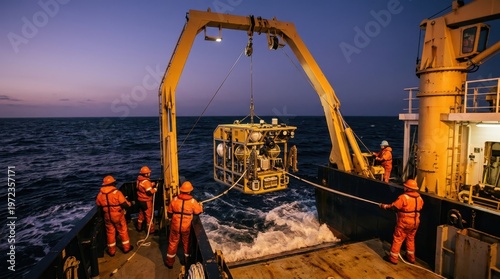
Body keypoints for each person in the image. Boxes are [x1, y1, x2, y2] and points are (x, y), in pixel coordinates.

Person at [379, 179, 424, 265]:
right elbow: (420, 207)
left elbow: (394, 207)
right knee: (410, 239)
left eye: (405, 187)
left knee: (398, 238)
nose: (404, 188)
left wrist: (383, 206)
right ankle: (411, 257)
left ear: (408, 188)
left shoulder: (403, 197)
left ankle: (393, 258)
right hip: (415, 222)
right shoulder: (419, 198)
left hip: (404, 221)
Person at [165, 181, 203, 269]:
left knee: (173, 243)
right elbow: (198, 211)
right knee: (186, 244)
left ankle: (169, 263)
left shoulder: (174, 200)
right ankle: (187, 262)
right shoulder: (193, 202)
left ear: (181, 190)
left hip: (175, 225)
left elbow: (169, 212)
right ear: (190, 191)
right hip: (186, 227)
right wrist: (200, 206)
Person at [96, 175, 133, 256]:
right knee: (123, 231)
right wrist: (130, 204)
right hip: (117, 215)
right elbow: (124, 204)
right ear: (113, 183)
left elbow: (98, 205)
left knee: (110, 233)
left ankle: (111, 251)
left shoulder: (100, 194)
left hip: (107, 216)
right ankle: (126, 248)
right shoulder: (117, 193)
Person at [136, 166, 157, 233]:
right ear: (146, 174)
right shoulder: (146, 182)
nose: (149, 174)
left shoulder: (139, 180)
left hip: (140, 200)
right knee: (149, 216)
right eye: (148, 173)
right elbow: (149, 192)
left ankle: (139, 227)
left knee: (141, 214)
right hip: (146, 201)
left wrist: (151, 184)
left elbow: (142, 188)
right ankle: (150, 230)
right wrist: (155, 189)